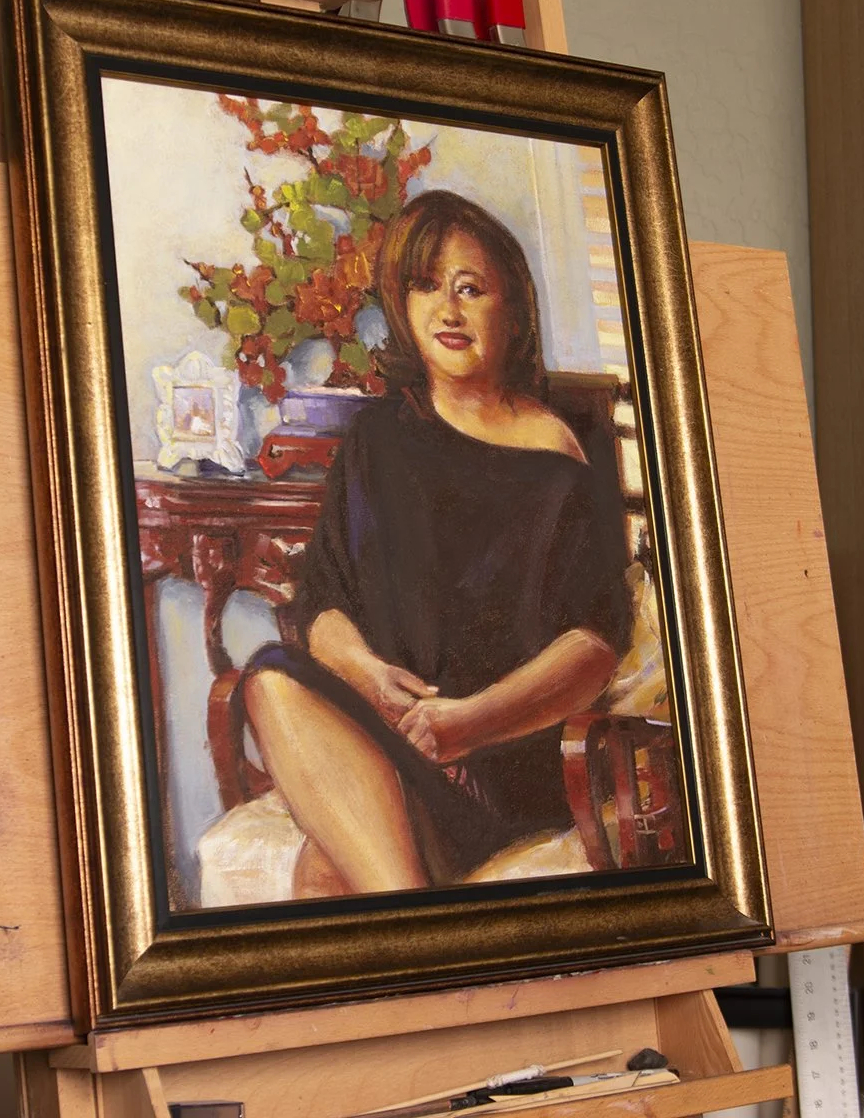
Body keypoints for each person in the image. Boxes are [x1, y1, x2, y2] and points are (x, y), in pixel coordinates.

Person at [235, 190, 634, 898]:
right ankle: (421, 921)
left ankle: (410, 918)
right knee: (268, 679)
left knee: (327, 874)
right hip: (393, 743)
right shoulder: (375, 441)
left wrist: (470, 724)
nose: (447, 310)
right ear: (401, 304)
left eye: (470, 288)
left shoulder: (573, 448)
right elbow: (322, 604)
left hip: (509, 760)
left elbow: (596, 643)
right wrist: (363, 670)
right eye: (426, 286)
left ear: (511, 311)